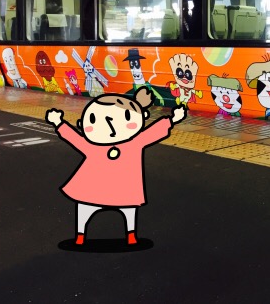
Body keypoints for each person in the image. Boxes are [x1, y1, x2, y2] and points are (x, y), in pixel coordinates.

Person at [45, 87, 186, 246]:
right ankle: (97, 237)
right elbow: (75, 139)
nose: (110, 125)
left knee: (88, 208)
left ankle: (91, 237)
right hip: (109, 189)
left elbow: (153, 131)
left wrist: (172, 120)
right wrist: (59, 123)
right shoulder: (132, 143)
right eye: (93, 119)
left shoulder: (129, 143)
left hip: (101, 189)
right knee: (122, 209)